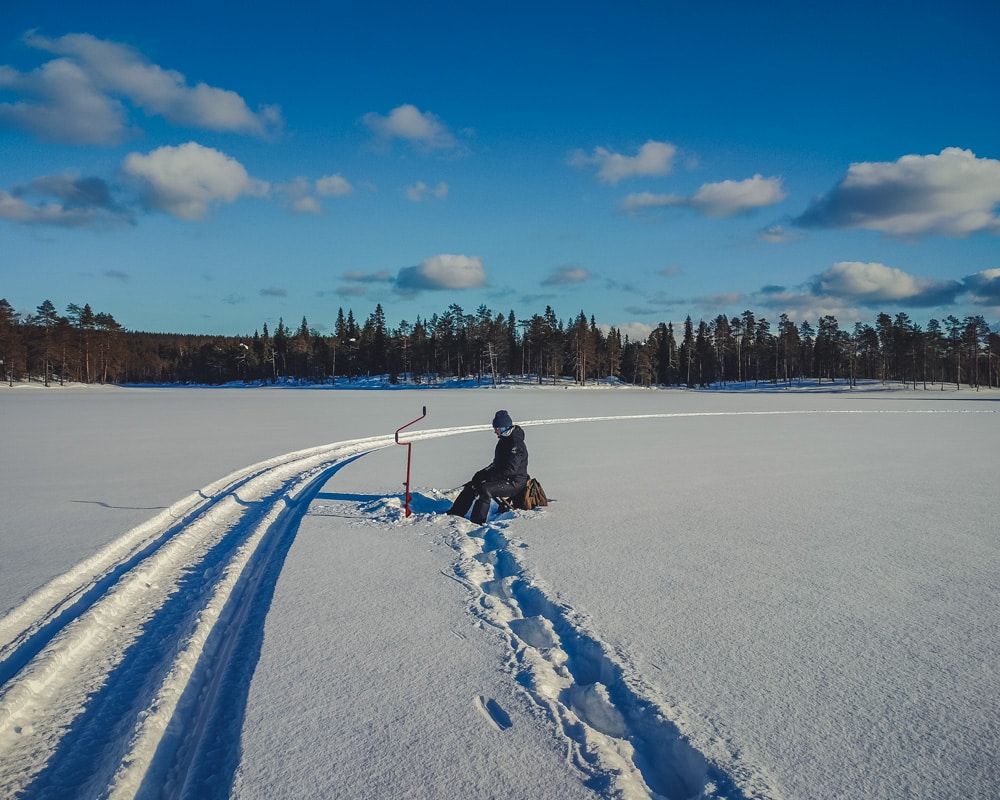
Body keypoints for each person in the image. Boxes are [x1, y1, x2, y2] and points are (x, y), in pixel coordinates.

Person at [447, 410, 528, 524]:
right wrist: (482, 474)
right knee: (473, 484)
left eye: (496, 428)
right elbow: (497, 464)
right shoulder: (504, 440)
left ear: (503, 427)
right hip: (504, 478)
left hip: (515, 482)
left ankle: (477, 522)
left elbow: (510, 470)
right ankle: (455, 513)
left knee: (485, 489)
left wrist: (490, 478)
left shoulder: (515, 444)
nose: (495, 431)